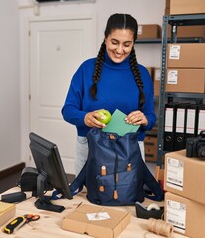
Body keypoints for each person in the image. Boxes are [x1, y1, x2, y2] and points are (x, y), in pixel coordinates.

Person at [62, 13, 156, 176]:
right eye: (114, 42)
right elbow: (68, 110)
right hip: (90, 148)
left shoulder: (142, 74)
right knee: (85, 197)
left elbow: (150, 117)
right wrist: (85, 118)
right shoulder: (86, 69)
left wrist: (145, 119)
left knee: (128, 198)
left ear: (134, 43)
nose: (120, 50)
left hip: (130, 150)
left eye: (127, 44)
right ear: (105, 38)